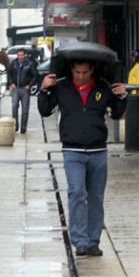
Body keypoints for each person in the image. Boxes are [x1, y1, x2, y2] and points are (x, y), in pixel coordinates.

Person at [37, 61, 128, 257]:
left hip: (98, 150)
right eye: (77, 72)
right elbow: (45, 110)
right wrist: (43, 90)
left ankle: (93, 241)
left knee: (96, 197)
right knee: (76, 192)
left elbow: (117, 113)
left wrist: (122, 96)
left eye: (85, 72)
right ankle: (80, 241)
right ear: (71, 70)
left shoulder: (102, 87)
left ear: (92, 70)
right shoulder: (62, 87)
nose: (81, 76)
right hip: (72, 150)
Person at [8, 48, 38, 134]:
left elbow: (35, 75)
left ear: (25, 55)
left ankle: (23, 128)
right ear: (17, 55)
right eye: (19, 55)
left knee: (25, 110)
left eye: (22, 55)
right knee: (14, 107)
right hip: (16, 89)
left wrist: (30, 85)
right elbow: (9, 74)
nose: (20, 57)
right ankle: (15, 126)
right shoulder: (13, 63)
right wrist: (11, 83)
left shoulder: (29, 64)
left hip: (25, 89)